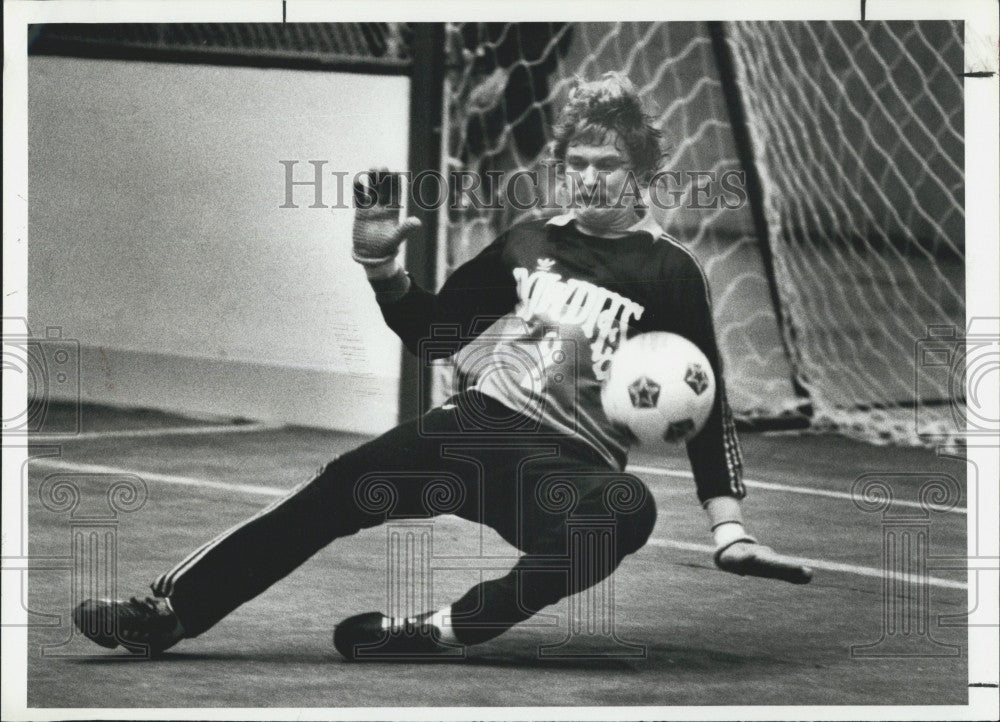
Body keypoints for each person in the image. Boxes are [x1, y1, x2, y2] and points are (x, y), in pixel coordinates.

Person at [74, 72, 810, 661]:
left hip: (563, 468)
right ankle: (166, 613)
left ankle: (448, 628)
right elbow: (433, 335)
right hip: (473, 428)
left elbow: (705, 406)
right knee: (331, 492)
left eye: (608, 164)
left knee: (628, 511)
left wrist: (729, 530)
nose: (589, 179)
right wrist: (381, 270)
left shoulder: (670, 271)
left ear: (642, 170)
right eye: (576, 164)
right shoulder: (530, 242)